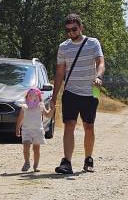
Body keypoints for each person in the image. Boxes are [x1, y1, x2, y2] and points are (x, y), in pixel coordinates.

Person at [51, 13, 105, 175]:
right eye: (68, 30)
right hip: (71, 91)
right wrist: (54, 96)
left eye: (74, 29)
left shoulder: (93, 43)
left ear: (81, 28)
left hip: (91, 90)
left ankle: (88, 159)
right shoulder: (63, 47)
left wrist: (98, 76)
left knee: (89, 126)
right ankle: (66, 162)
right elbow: (60, 73)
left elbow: (100, 62)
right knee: (69, 124)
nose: (71, 33)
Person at [15, 87, 52, 172]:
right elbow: (20, 119)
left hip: (37, 130)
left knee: (36, 149)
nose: (32, 97)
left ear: (39, 97)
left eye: (35, 96)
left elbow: (48, 115)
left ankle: (36, 166)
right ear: (27, 97)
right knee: (26, 146)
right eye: (30, 95)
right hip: (26, 130)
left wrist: (52, 108)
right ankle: (27, 163)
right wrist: (18, 129)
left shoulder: (40, 106)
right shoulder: (24, 107)